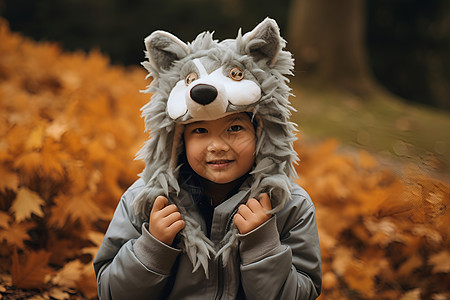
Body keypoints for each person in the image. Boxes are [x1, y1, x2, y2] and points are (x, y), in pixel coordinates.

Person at [94, 18, 322, 299]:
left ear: (263, 132)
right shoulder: (144, 201)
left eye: (235, 128)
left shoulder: (289, 206)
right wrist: (152, 247)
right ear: (177, 140)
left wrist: (263, 246)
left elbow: (304, 293)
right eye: (200, 131)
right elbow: (109, 292)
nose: (217, 146)